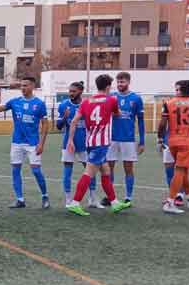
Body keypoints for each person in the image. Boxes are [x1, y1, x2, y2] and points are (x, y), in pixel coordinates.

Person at [65, 74, 131, 216]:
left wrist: (70, 140)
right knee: (89, 172)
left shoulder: (86, 102)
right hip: (101, 143)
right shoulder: (111, 100)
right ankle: (75, 203)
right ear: (108, 87)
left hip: (90, 141)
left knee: (106, 171)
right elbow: (118, 114)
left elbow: (74, 121)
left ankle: (114, 203)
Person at [0, 77, 50, 209]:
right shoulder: (14, 102)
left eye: (26, 85)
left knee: (36, 171)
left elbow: (45, 124)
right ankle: (20, 199)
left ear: (32, 87)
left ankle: (45, 196)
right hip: (17, 142)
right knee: (15, 170)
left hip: (33, 143)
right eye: (22, 86)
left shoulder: (39, 104)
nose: (23, 88)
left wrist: (41, 143)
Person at [158, 80, 189, 214]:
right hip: (187, 141)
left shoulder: (168, 103)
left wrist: (160, 139)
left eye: (176, 89)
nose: (175, 91)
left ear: (180, 89)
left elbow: (162, 124)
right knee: (180, 170)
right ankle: (170, 202)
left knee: (183, 171)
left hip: (172, 141)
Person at [103, 71, 145, 207]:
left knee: (128, 168)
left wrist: (142, 141)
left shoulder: (136, 98)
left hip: (128, 139)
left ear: (128, 82)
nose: (120, 84)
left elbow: (141, 121)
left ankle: (128, 197)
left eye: (123, 82)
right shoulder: (111, 97)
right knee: (109, 168)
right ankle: (110, 197)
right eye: (118, 82)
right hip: (112, 138)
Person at [57, 81, 97, 207]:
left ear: (80, 91)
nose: (71, 93)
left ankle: (92, 198)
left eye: (73, 91)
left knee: (90, 171)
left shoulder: (87, 105)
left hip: (85, 144)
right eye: (70, 91)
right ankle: (68, 200)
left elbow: (92, 124)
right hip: (68, 144)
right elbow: (58, 127)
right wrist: (64, 117)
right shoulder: (64, 105)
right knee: (67, 171)